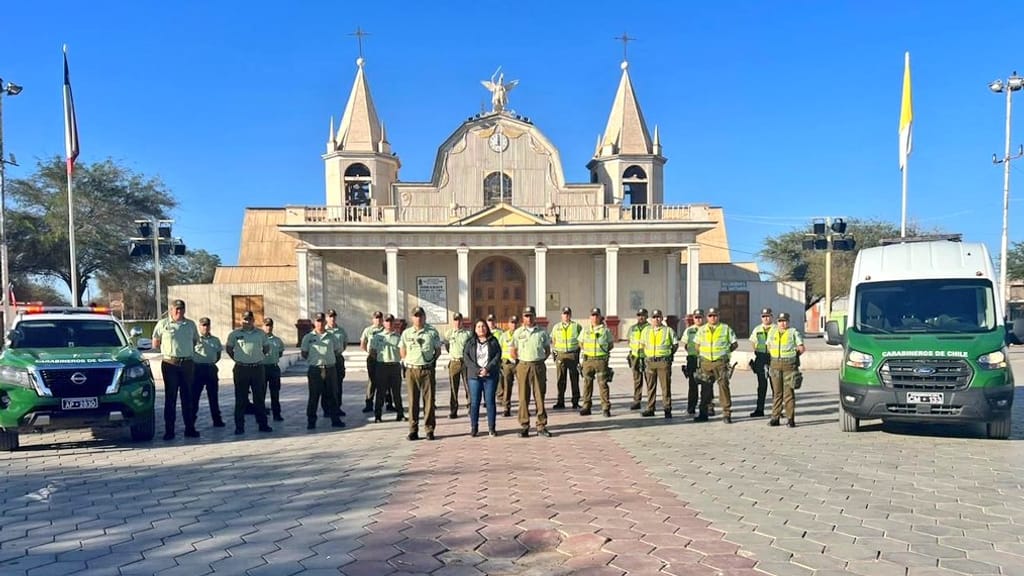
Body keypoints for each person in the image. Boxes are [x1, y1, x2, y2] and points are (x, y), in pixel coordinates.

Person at [151, 299, 200, 440]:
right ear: (171, 310)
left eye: (181, 309)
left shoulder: (190, 324)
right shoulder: (163, 324)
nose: (179, 312)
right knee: (170, 398)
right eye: (176, 309)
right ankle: (169, 431)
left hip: (187, 364)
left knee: (188, 397)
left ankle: (190, 429)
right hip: (170, 364)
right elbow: (155, 341)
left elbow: (195, 341)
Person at [226, 311, 272, 435]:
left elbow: (266, 348)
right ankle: (239, 426)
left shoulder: (260, 333)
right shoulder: (235, 334)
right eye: (245, 319)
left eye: (249, 319)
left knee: (259, 398)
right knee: (240, 399)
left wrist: (259, 356)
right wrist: (238, 359)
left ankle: (263, 424)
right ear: (241, 320)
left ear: (253, 320)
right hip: (241, 369)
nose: (247, 322)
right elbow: (229, 349)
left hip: (257, 368)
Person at [400, 306, 442, 441]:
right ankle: (413, 430)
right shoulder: (406, 333)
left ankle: (429, 429)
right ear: (412, 318)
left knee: (429, 401)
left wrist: (429, 362)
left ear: (425, 317)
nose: (418, 318)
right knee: (412, 401)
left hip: (427, 369)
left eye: (420, 316)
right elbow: (402, 350)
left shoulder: (432, 332)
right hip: (411, 370)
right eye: (416, 316)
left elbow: (438, 351)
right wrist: (409, 361)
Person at [511, 305, 552, 438]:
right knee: (523, 397)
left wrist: (538, 360)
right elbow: (513, 351)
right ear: (523, 317)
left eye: (531, 315)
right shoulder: (518, 333)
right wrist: (522, 362)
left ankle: (541, 425)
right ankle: (524, 425)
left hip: (538, 366)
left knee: (539, 396)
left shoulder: (542, 332)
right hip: (523, 366)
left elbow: (547, 350)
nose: (528, 318)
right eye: (526, 316)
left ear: (535, 316)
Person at [300, 312, 346, 429]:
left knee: (332, 395)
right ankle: (311, 421)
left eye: (322, 321)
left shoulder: (332, 337)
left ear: (325, 322)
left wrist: (327, 359)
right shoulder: (308, 337)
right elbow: (304, 353)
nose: (320, 323)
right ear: (314, 323)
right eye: (317, 321)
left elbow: (337, 351)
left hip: (330, 369)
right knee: (314, 396)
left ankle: (335, 419)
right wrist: (315, 360)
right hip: (315, 370)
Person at [695, 307, 738, 423]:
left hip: (720, 363)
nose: (713, 318)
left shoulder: (725, 328)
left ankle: (726, 413)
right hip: (706, 363)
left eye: (715, 315)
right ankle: (703, 413)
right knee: (705, 389)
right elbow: (697, 345)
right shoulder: (702, 330)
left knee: (723, 387)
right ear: (707, 317)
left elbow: (734, 344)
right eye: (710, 316)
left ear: (718, 316)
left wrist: (725, 353)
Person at [463, 319, 502, 437]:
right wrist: (477, 370)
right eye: (478, 326)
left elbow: (497, 355)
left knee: (490, 402)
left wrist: (487, 369)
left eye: (483, 326)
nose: (481, 329)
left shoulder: (493, 341)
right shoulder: (470, 342)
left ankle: (492, 428)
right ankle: (474, 427)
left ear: (487, 328)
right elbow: (466, 357)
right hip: (474, 377)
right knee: (474, 403)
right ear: (475, 329)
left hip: (490, 376)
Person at [767, 312, 805, 428]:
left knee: (788, 394)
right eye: (780, 321)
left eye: (784, 321)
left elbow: (801, 348)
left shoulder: (793, 332)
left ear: (788, 322)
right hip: (775, 364)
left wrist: (794, 356)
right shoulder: (772, 332)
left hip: (789, 365)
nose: (782, 323)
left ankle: (790, 419)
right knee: (777, 393)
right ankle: (775, 417)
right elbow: (768, 346)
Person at [368, 314, 405, 423]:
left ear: (394, 323)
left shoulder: (398, 337)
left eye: (390, 321)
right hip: (382, 366)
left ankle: (400, 413)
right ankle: (378, 415)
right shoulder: (377, 337)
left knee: (396, 392)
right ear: (383, 323)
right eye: (387, 321)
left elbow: (403, 351)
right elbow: (372, 351)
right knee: (380, 392)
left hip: (394, 366)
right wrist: (380, 359)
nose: (389, 323)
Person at [642, 309, 678, 419]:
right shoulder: (646, 330)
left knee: (665, 387)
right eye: (654, 317)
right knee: (650, 387)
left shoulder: (668, 331)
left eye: (658, 317)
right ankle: (650, 408)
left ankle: (667, 408)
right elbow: (643, 344)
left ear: (662, 318)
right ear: (651, 319)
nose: (656, 319)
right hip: (651, 361)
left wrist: (668, 355)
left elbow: (675, 345)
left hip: (663, 361)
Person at [579, 307, 614, 417]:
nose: (594, 318)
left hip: (601, 361)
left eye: (596, 315)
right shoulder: (585, 330)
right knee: (587, 384)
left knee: (603, 385)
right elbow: (581, 343)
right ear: (590, 317)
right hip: (588, 360)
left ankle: (605, 408)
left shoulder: (605, 331)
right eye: (592, 315)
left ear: (600, 317)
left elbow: (610, 345)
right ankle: (586, 406)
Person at [192, 317, 225, 428]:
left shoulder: (215, 340)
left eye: (207, 325)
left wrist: (210, 362)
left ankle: (217, 420)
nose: (205, 327)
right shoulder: (195, 339)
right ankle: (191, 422)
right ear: (199, 326)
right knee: (194, 397)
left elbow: (218, 355)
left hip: (211, 369)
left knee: (213, 397)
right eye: (203, 325)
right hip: (198, 370)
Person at [549, 306, 582, 410]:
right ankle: (560, 401)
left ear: (570, 315)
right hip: (561, 355)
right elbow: (553, 340)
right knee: (561, 379)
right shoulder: (556, 327)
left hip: (573, 355)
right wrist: (556, 351)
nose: (566, 316)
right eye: (564, 314)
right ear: (561, 315)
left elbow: (581, 340)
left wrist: (578, 354)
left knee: (574, 379)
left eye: (568, 314)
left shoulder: (576, 326)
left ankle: (575, 401)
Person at [444, 312, 472, 418]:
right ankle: (453, 410)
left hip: (465, 362)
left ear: (462, 321)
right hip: (454, 362)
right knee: (453, 388)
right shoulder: (449, 333)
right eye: (455, 320)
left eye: (459, 320)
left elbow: (470, 347)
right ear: (453, 321)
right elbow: (447, 346)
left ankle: (470, 408)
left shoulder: (468, 334)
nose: (457, 322)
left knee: (468, 387)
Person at [748, 307, 774, 418]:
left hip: (773, 358)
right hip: (761, 358)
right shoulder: (757, 329)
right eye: (763, 316)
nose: (766, 318)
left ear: (772, 317)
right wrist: (758, 352)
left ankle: (777, 410)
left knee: (776, 387)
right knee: (762, 386)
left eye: (768, 316)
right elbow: (753, 342)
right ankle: (760, 409)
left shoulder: (776, 329)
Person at [679, 309, 704, 415]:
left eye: (700, 317)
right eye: (696, 317)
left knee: (706, 384)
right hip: (693, 359)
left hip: (704, 359)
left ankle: (707, 407)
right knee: (692, 385)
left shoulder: (707, 329)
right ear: (693, 318)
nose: (698, 319)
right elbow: (684, 343)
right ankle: (691, 407)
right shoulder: (689, 330)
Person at [360, 311, 385, 413]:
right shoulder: (368, 330)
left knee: (385, 382)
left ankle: (388, 403)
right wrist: (370, 353)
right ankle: (369, 403)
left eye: (379, 318)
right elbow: (363, 344)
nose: (378, 320)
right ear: (373, 319)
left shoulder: (385, 329)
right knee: (372, 381)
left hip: (384, 359)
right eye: (376, 318)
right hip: (373, 359)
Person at [262, 317, 286, 422]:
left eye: (270, 325)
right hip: (262, 368)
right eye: (266, 325)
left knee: (275, 393)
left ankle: (277, 414)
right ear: (263, 326)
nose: (269, 327)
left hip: (274, 368)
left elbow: (280, 353)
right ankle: (261, 414)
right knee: (260, 393)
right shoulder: (259, 339)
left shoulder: (277, 340)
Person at [325, 309, 347, 417]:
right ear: (326, 318)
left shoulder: (341, 331)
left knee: (338, 384)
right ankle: (326, 409)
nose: (332, 318)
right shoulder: (323, 331)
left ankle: (337, 407)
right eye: (330, 316)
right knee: (326, 385)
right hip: (327, 360)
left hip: (338, 359)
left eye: (333, 316)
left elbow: (344, 344)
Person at [497, 314, 520, 417]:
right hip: (507, 364)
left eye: (515, 323)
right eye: (512, 322)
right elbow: (499, 349)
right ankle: (507, 408)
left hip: (519, 363)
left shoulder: (521, 334)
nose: (513, 325)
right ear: (508, 324)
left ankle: (523, 408)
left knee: (523, 387)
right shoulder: (504, 335)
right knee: (507, 387)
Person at [627, 308, 649, 410]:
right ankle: (637, 400)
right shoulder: (632, 328)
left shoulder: (650, 328)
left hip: (647, 356)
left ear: (647, 316)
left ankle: (650, 401)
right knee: (637, 380)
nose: (641, 317)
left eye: (643, 315)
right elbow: (629, 341)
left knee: (649, 380)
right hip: (635, 356)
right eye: (639, 315)